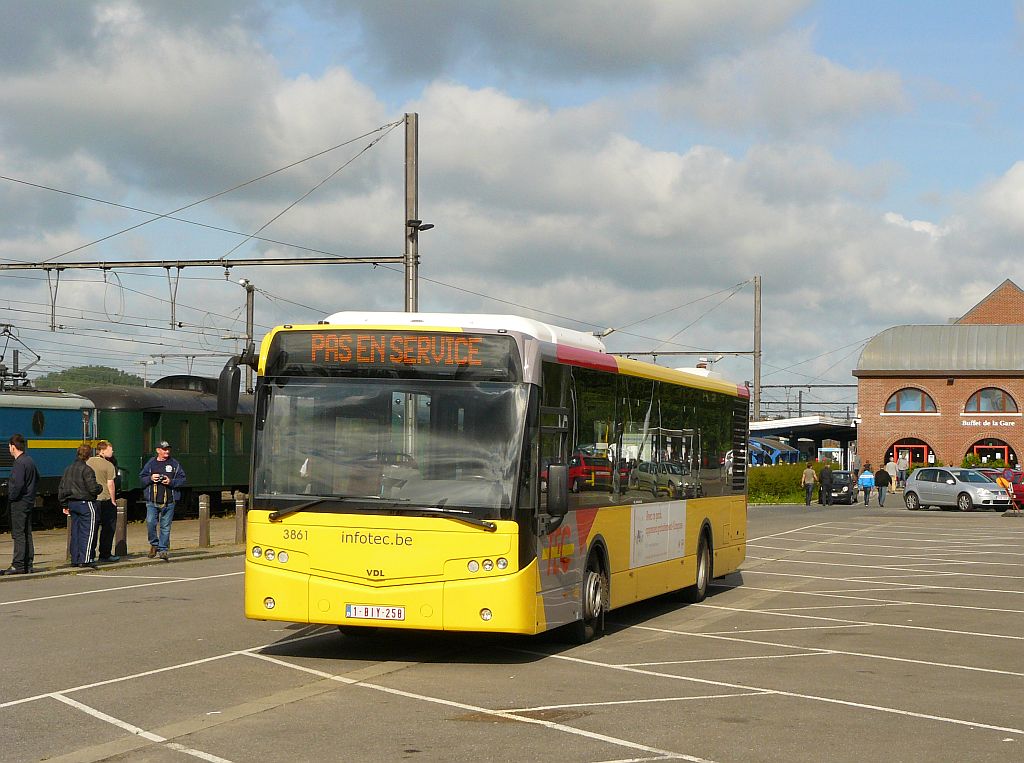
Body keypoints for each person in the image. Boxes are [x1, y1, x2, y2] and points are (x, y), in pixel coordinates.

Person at [58, 443, 102, 569]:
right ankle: (86, 558)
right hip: (85, 503)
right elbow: (93, 488)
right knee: (88, 531)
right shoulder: (87, 470)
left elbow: (62, 487)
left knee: (75, 532)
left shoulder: (68, 469)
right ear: (88, 456)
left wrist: (64, 504)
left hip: (72, 503)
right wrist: (100, 487)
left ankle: (75, 558)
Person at [140, 440, 186, 561]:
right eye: (164, 449)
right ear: (158, 450)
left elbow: (182, 479)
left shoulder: (174, 463)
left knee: (165, 526)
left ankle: (163, 549)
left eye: (168, 449)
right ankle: (154, 544)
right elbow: (142, 478)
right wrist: (150, 478)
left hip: (169, 501)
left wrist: (171, 482)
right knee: (150, 523)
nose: (167, 451)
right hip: (152, 500)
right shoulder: (151, 463)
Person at [2, 434, 39, 575]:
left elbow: (17, 485)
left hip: (19, 503)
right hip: (29, 501)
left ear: (13, 446)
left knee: (18, 534)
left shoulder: (18, 463)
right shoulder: (29, 460)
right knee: (27, 532)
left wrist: (11, 496)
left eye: (9, 447)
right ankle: (28, 564)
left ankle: (18, 564)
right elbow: (37, 478)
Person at [87, 440, 119, 563]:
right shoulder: (109, 465)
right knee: (108, 528)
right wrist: (113, 500)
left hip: (92, 500)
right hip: (105, 499)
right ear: (103, 450)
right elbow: (110, 484)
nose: (113, 451)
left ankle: (90, 555)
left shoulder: (88, 462)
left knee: (92, 529)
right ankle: (105, 554)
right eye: (110, 449)